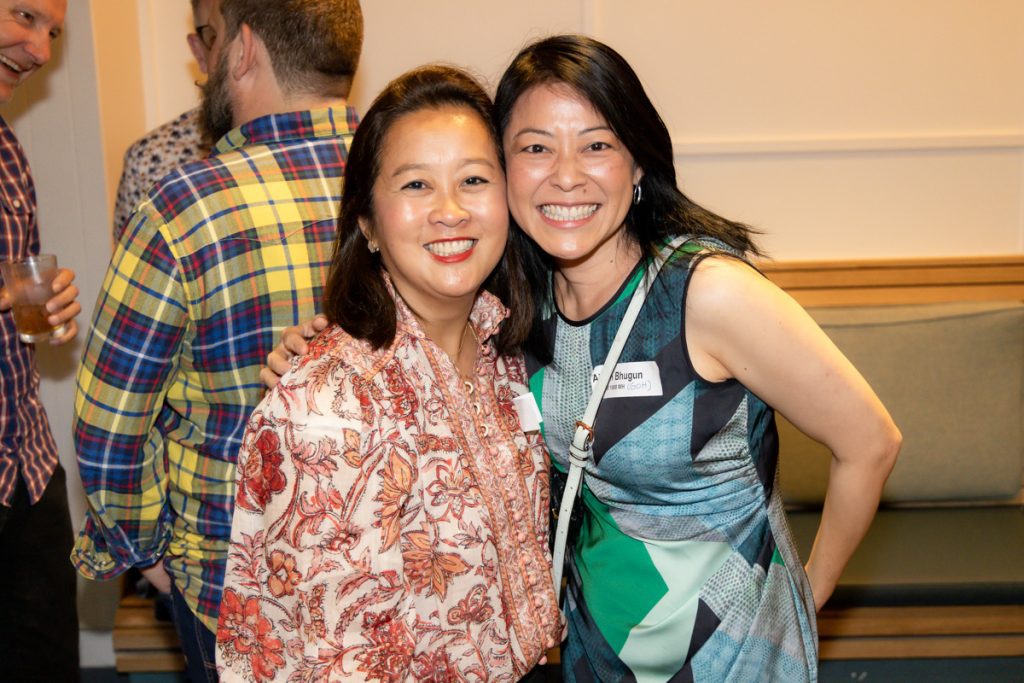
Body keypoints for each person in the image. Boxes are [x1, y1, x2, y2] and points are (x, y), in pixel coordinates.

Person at [269, 34, 902, 682]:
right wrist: (323, 345)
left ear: (636, 163)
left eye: (596, 144)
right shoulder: (516, 304)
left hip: (730, 659)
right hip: (593, 656)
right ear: (504, 170)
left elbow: (870, 441)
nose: (566, 174)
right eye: (536, 147)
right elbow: (413, 325)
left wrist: (801, 599)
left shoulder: (706, 294)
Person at [216, 64, 561, 683]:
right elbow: (334, 657)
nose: (450, 211)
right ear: (368, 224)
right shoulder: (327, 410)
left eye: (474, 179)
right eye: (416, 186)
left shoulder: (501, 354)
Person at [72, 1, 363, 680]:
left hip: (235, 574)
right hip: (393, 564)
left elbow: (109, 423)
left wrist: (143, 550)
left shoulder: (184, 207)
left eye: (211, 35)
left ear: (241, 48)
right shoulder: (422, 183)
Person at [0, 1, 83, 681]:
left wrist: (48, 316)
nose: (40, 50)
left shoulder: (7, 149)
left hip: (26, 468)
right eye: (24, 15)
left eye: (52, 32)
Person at [111, 0, 222, 242]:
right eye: (214, 36)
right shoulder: (150, 159)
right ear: (198, 51)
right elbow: (133, 274)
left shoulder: (308, 141)